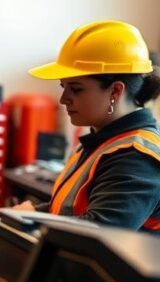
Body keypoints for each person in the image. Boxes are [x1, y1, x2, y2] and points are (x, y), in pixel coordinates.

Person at [18, 20, 160, 233]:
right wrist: (38, 211)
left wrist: (36, 220)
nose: (63, 99)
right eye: (63, 87)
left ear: (115, 91)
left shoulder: (135, 157)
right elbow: (74, 210)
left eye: (76, 89)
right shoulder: (102, 140)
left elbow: (100, 234)